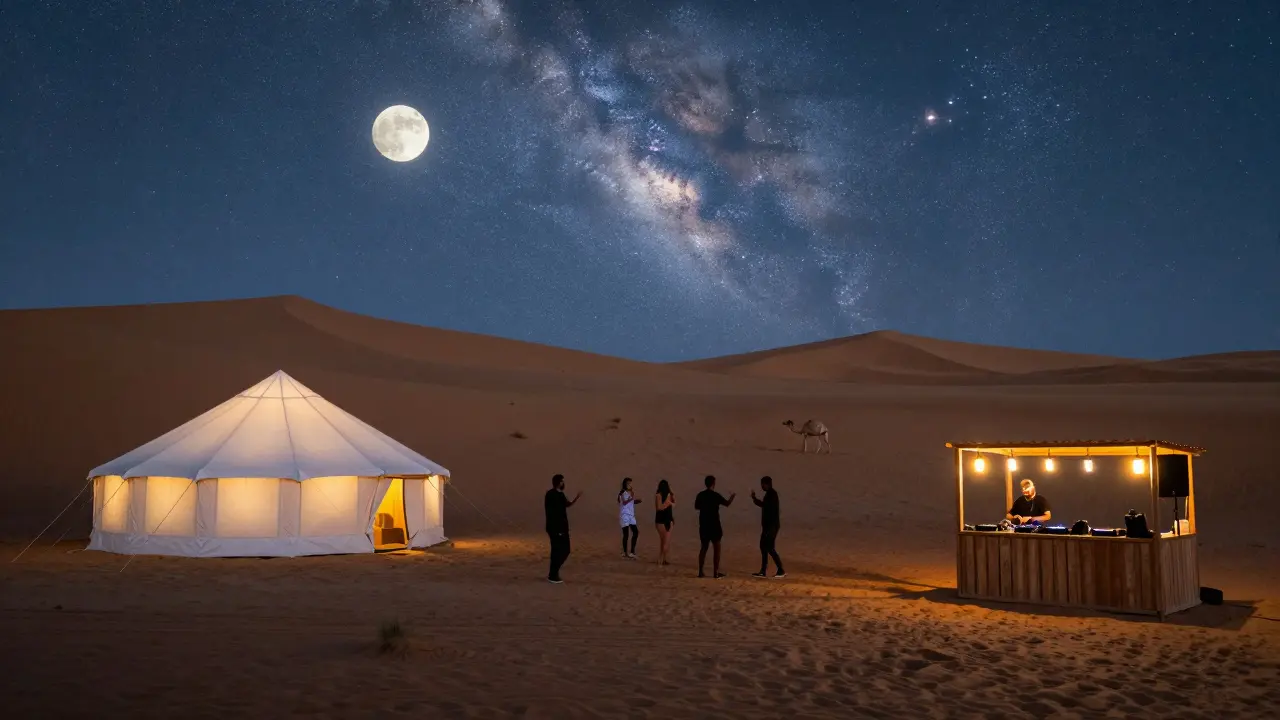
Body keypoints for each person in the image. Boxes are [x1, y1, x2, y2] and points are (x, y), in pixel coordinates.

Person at [693, 475, 735, 578]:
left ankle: (700, 571)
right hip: (714, 524)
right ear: (713, 484)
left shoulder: (700, 495)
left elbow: (696, 507)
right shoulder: (716, 495)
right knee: (717, 548)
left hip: (703, 524)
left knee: (704, 547)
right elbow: (727, 503)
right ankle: (716, 572)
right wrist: (732, 497)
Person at [544, 473, 581, 583]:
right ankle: (553, 575)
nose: (563, 483)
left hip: (562, 527)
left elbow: (566, 504)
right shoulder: (551, 494)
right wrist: (557, 529)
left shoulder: (560, 494)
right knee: (557, 551)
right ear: (557, 482)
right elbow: (552, 513)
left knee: (565, 550)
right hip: (555, 528)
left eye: (563, 481)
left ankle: (554, 572)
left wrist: (576, 499)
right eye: (561, 481)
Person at [750, 475, 785, 578]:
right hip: (770, 526)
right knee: (765, 547)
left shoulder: (771, 494)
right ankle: (764, 570)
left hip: (771, 526)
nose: (761, 486)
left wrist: (754, 499)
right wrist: (755, 499)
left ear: (767, 484)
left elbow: (765, 506)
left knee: (768, 547)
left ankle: (779, 570)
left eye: (762, 484)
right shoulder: (770, 494)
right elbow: (764, 505)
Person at [618, 477, 642, 559]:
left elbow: (630, 502)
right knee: (626, 534)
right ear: (625, 484)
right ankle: (625, 552)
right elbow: (624, 502)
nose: (630, 485)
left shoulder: (631, 492)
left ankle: (632, 551)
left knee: (635, 532)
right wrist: (631, 498)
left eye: (631, 483)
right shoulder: (622, 493)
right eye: (628, 483)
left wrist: (635, 501)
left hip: (631, 515)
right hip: (624, 515)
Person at [654, 479, 676, 566]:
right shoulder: (659, 495)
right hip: (662, 520)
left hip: (665, 519)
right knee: (665, 541)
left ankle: (663, 559)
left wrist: (670, 500)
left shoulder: (666, 495)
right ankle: (661, 560)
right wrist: (668, 503)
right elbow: (659, 508)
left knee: (664, 541)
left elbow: (673, 504)